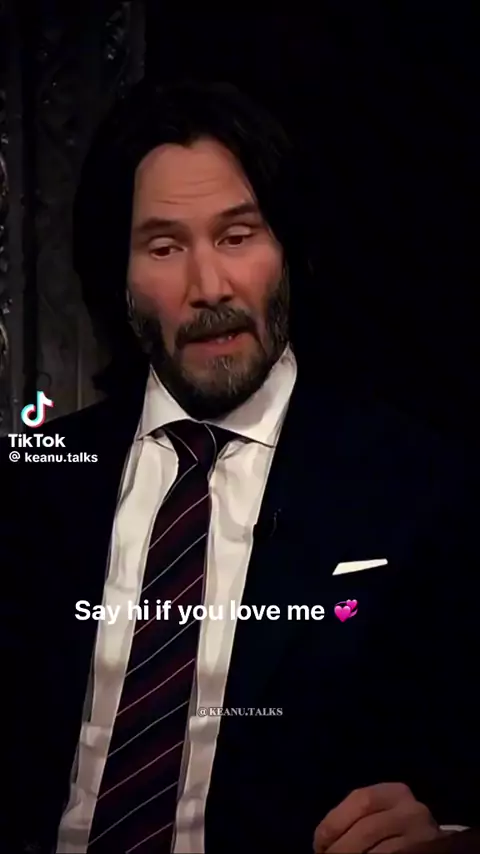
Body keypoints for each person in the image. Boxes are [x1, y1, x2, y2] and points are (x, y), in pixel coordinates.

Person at [1, 80, 478, 854]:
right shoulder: (30, 485)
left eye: (237, 237)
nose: (209, 288)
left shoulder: (421, 487)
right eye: (164, 248)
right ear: (119, 276)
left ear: (288, 250)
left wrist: (456, 836)